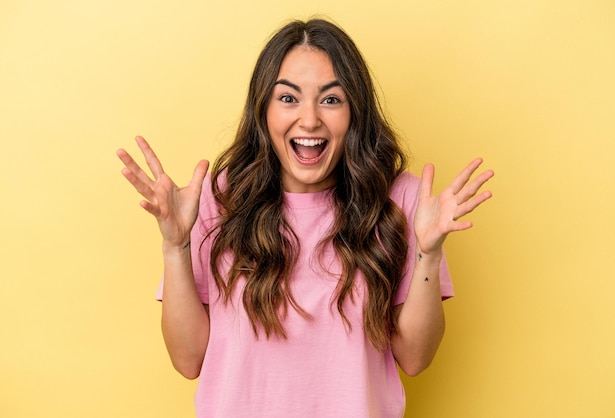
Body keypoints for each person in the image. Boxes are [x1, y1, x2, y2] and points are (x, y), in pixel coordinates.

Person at [117, 18, 493, 418]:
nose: (310, 119)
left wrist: (429, 255)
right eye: (289, 98)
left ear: (355, 113)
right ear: (263, 110)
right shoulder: (217, 198)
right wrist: (176, 246)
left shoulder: (400, 200)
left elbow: (415, 358)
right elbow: (187, 359)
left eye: (331, 100)